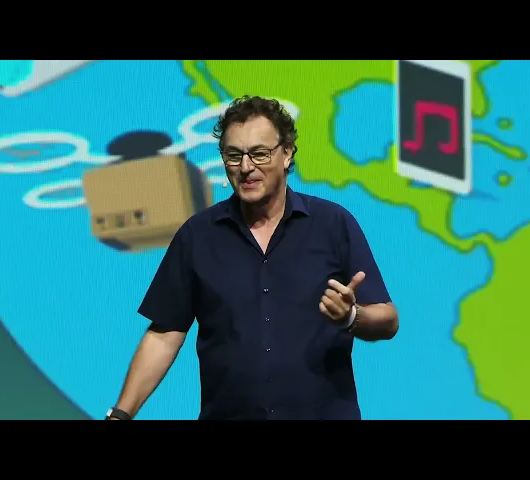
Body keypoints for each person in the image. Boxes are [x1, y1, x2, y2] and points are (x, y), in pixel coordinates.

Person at [105, 95, 399, 421]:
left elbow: (388, 320)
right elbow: (164, 334)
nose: (246, 168)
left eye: (259, 154)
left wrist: (351, 316)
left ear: (287, 153)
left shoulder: (332, 224)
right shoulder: (197, 236)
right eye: (234, 156)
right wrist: (121, 414)